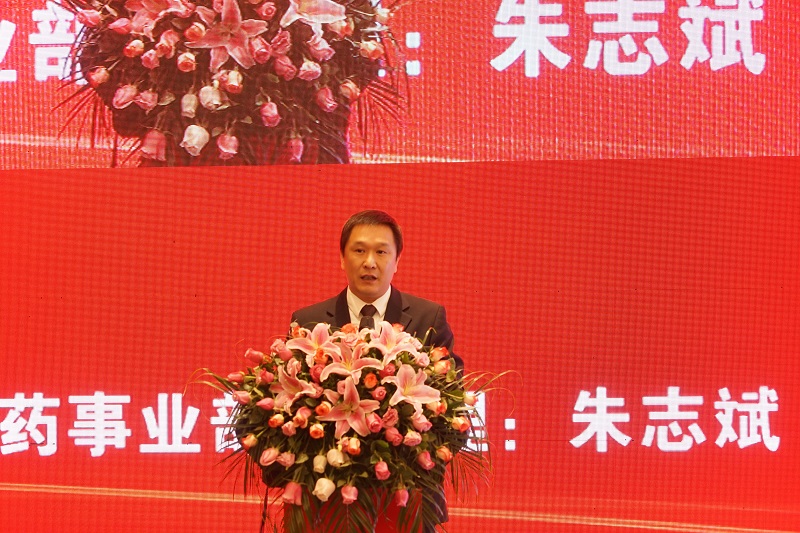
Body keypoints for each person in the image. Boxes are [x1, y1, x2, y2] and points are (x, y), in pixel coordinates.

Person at [290, 209, 460, 532]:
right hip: (327, 500)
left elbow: (453, 403)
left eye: (381, 252)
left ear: (397, 261)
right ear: (342, 258)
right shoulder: (309, 321)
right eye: (359, 250)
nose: (370, 262)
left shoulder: (428, 318)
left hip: (408, 498)